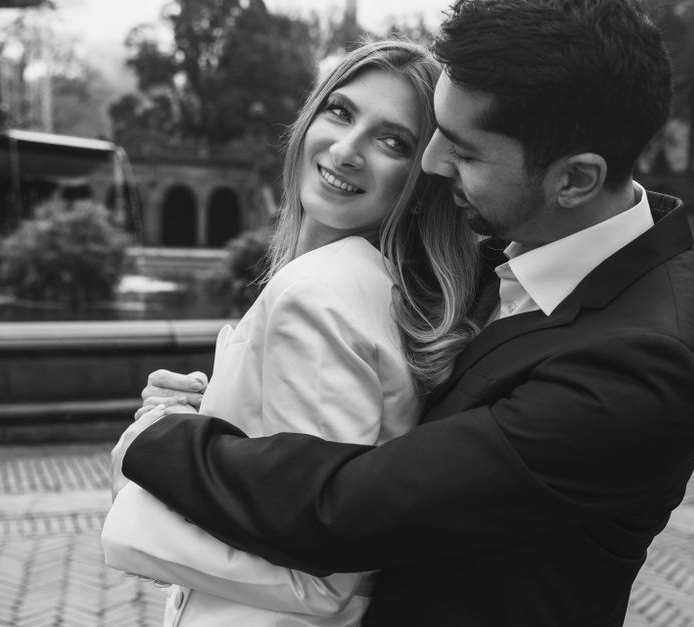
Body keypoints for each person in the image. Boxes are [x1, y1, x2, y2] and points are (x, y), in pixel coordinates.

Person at [114, 0, 694, 624]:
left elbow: (346, 508)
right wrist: (232, 402)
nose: (430, 166)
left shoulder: (641, 368)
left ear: (575, 180)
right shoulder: (511, 250)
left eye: (464, 151)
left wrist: (158, 439)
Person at [101, 39, 481, 626]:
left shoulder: (319, 294)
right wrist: (198, 424)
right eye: (340, 111)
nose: (347, 149)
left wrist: (144, 468)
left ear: (424, 174)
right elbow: (288, 485)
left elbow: (324, 575)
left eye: (392, 141)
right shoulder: (380, 289)